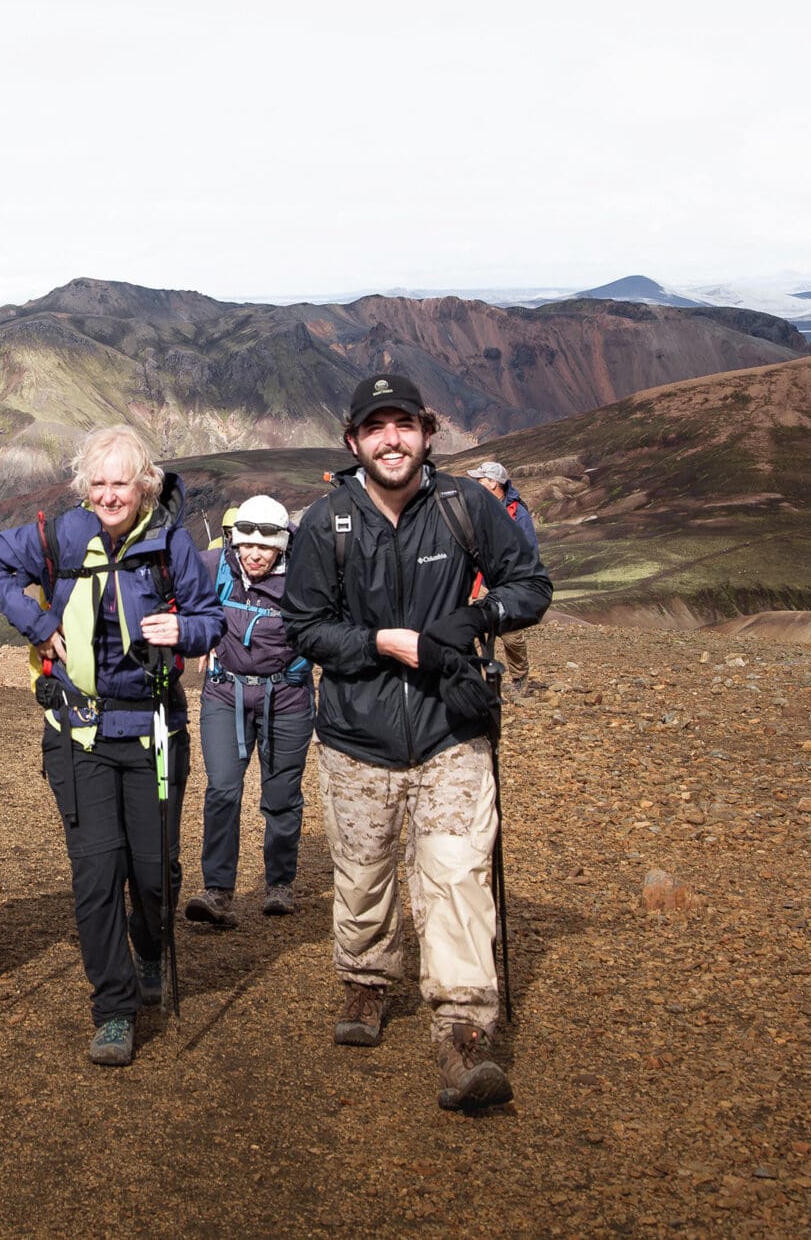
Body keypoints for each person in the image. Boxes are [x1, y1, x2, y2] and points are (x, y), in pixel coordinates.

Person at [282, 375, 550, 1112]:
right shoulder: (325, 522)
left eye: (404, 424)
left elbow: (531, 585)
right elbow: (304, 627)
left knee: (458, 875)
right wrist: (380, 643)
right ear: (353, 442)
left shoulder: (467, 509)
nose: (391, 439)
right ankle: (366, 980)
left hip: (450, 730)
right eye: (376, 427)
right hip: (354, 737)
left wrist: (476, 617)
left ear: (428, 433)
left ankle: (462, 1034)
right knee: (363, 874)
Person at [0, 426, 222, 1066]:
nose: (111, 495)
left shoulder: (174, 545)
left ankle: (151, 947)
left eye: (123, 483)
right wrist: (37, 621)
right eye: (99, 483)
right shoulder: (63, 536)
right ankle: (113, 1008)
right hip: (77, 734)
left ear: (146, 485)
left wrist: (182, 629)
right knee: (97, 873)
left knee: (154, 870)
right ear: (87, 488)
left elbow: (210, 620)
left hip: (155, 731)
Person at [185, 494, 314, 927]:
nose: (254, 554)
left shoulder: (305, 574)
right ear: (234, 540)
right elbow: (168, 586)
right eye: (246, 543)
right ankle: (218, 891)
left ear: (281, 544)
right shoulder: (214, 566)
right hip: (225, 692)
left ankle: (279, 883)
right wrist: (196, 629)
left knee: (280, 796)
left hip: (287, 697)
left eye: (265, 545)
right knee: (222, 789)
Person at [469, 460, 540, 697]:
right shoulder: (478, 507)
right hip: (480, 581)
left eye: (480, 480)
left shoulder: (518, 513)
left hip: (507, 583)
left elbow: (529, 549)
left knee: (511, 635)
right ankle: (477, 679)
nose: (477, 483)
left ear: (493, 483)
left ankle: (520, 679)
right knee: (470, 628)